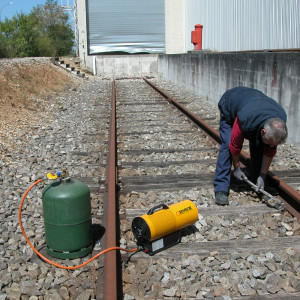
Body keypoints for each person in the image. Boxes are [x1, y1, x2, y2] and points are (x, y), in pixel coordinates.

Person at [214, 86, 288, 205]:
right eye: (270, 143)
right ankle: (221, 188)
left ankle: (258, 181)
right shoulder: (246, 118)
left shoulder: (280, 119)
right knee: (227, 145)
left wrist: (263, 175)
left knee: (261, 145)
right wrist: (237, 167)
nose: (271, 146)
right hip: (230, 104)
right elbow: (235, 145)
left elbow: (269, 150)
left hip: (252, 105)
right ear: (263, 132)